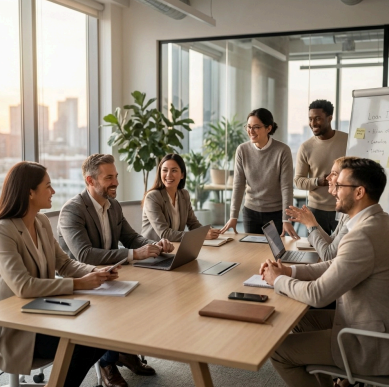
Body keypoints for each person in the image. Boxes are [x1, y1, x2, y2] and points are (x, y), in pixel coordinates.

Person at [260, 158, 389, 387]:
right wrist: (290, 270)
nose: (334, 191)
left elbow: (318, 295)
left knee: (278, 350)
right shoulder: (380, 221)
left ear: (359, 192)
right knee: (298, 322)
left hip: (369, 343)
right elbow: (336, 264)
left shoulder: (362, 236)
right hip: (367, 322)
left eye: (339, 186)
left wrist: (277, 279)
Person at [0, 161, 120, 387]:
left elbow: (64, 264)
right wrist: (79, 284)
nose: (53, 191)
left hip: (45, 312)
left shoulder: (42, 221)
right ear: (30, 192)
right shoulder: (4, 230)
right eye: (48, 186)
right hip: (18, 327)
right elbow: (23, 286)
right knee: (84, 342)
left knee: (103, 331)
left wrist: (96, 271)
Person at [58, 154, 174, 386]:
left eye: (116, 176)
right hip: (82, 280)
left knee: (150, 293)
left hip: (109, 275)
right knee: (117, 307)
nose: (116, 182)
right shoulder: (73, 210)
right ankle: (106, 364)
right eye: (109, 177)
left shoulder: (113, 206)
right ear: (90, 181)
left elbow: (131, 238)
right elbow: (85, 255)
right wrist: (133, 255)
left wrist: (154, 246)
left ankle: (122, 350)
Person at [220, 108, 298, 239]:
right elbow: (238, 185)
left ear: (268, 128)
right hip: (251, 212)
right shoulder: (242, 150)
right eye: (249, 127)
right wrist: (233, 216)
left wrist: (286, 219)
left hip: (276, 214)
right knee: (251, 252)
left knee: (275, 253)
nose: (251, 131)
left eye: (256, 127)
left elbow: (286, 187)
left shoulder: (282, 150)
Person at [286, 156, 358, 261]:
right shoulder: (345, 211)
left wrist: (311, 225)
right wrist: (313, 223)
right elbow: (332, 242)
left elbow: (329, 256)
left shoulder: (353, 214)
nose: (327, 178)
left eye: (334, 174)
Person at [294, 99, 348, 236]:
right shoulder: (305, 147)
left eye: (318, 119)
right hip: (316, 210)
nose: (313, 123)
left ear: (330, 118)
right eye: (310, 119)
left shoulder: (347, 141)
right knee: (315, 253)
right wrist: (318, 181)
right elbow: (298, 181)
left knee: (342, 252)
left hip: (343, 208)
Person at [142, 153, 220, 241]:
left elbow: (193, 224)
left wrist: (207, 231)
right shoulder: (152, 197)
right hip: (153, 250)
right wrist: (200, 235)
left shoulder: (184, 194)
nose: (168, 175)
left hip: (175, 247)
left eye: (174, 170)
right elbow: (165, 234)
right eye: (165, 170)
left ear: (182, 174)